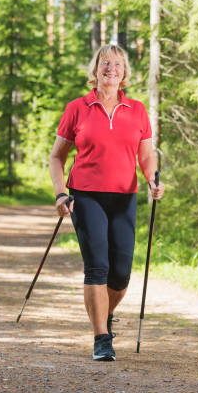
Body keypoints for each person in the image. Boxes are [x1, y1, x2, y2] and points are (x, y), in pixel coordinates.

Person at [49, 45, 165, 361]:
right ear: (95, 69)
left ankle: (104, 314)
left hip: (125, 196)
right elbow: (57, 156)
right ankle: (101, 337)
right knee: (97, 266)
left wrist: (153, 178)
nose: (110, 68)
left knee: (121, 275)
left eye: (117, 64)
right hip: (86, 194)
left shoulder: (137, 110)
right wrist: (61, 193)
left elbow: (146, 154)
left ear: (124, 72)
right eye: (104, 63)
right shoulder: (77, 107)